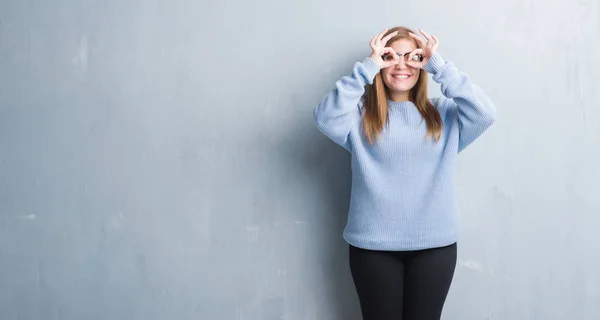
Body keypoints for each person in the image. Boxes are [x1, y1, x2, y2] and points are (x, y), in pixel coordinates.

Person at [312, 26, 497, 320]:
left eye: (411, 57)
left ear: (422, 65)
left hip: (434, 247)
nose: (401, 65)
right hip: (373, 248)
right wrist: (367, 67)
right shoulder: (358, 117)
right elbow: (324, 117)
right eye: (391, 56)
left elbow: (485, 113)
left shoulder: (445, 115)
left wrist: (439, 66)